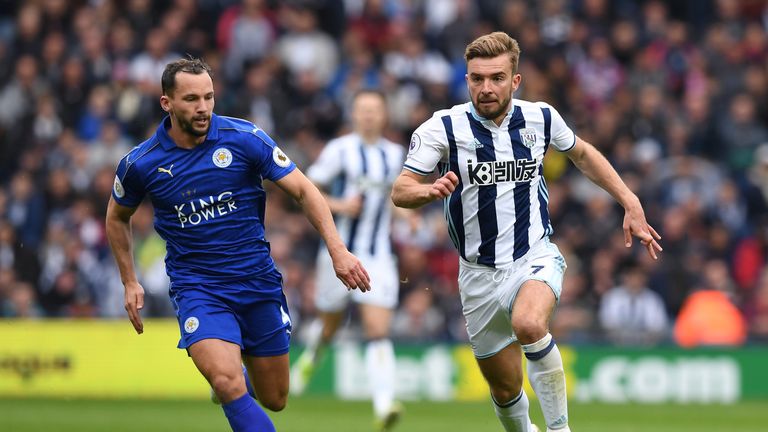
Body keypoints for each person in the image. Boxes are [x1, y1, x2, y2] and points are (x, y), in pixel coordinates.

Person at [391, 32, 662, 432]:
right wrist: (427, 191)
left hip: (533, 254)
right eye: (477, 78)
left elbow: (582, 154)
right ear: (466, 80)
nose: (486, 87)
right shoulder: (443, 128)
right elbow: (401, 190)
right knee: (505, 392)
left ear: (515, 81)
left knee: (530, 325)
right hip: (478, 276)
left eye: (496, 78)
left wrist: (629, 200)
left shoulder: (541, 118)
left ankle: (560, 429)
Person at [105, 58, 370, 432]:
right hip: (199, 287)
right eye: (192, 99)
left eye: (209, 97)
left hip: (256, 281)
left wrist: (337, 250)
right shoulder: (141, 164)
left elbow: (304, 190)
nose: (203, 108)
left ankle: (233, 378)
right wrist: (130, 280)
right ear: (167, 103)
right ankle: (226, 379)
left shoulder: (244, 138)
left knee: (275, 398)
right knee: (227, 382)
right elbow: (117, 217)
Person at [291, 89, 405, 431]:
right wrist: (341, 206)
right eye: (362, 110)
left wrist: (408, 215)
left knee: (377, 328)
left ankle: (384, 404)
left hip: (379, 255)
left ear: (384, 115)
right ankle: (312, 355)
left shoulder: (396, 154)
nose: (368, 115)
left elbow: (396, 198)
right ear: (354, 115)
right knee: (330, 324)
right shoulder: (340, 150)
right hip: (338, 254)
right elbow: (307, 189)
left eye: (374, 110)